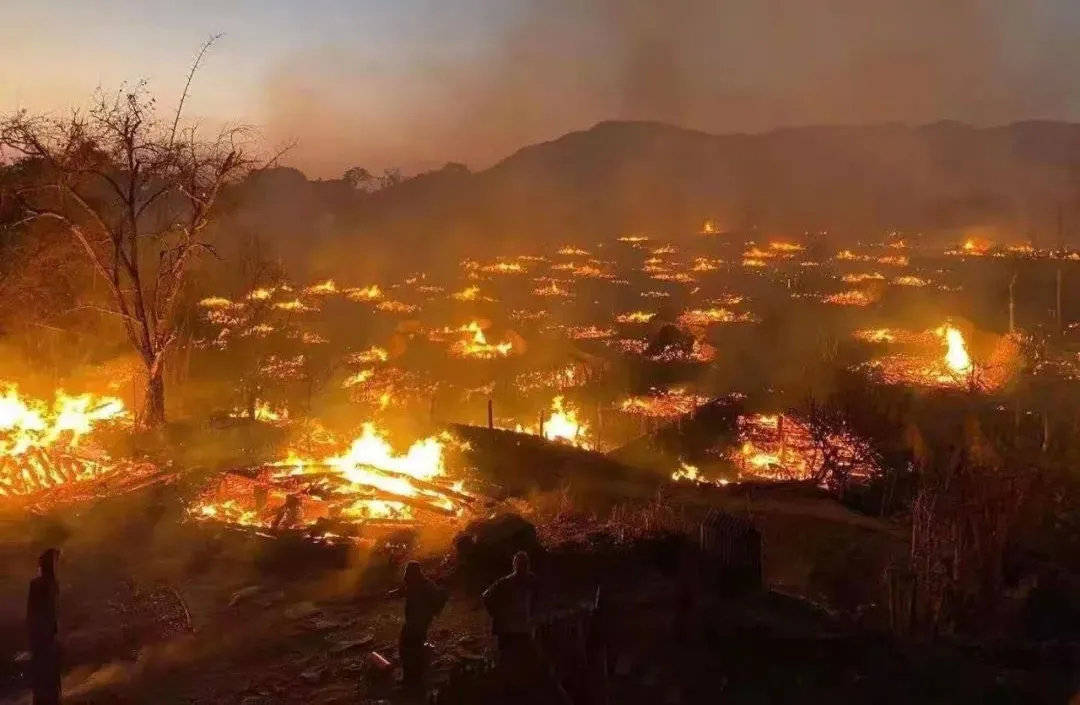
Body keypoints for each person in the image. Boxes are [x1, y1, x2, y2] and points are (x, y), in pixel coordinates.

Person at [482, 551, 539, 683]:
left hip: (519, 629)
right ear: (515, 566)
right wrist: (497, 615)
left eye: (524, 565)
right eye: (521, 565)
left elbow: (486, 597)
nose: (522, 568)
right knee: (511, 662)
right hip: (511, 630)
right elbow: (486, 597)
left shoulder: (530, 581)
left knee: (518, 663)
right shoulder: (507, 583)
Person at [388, 561, 446, 690]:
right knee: (414, 647)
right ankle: (416, 677)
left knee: (408, 648)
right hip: (417, 622)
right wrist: (392, 593)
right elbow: (403, 591)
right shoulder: (418, 584)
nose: (407, 577)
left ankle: (412, 679)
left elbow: (438, 600)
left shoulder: (425, 586)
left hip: (418, 623)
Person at [27, 548, 61, 705]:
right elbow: (33, 612)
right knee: (44, 676)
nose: (56, 564)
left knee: (47, 677)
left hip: (47, 637)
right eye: (54, 561)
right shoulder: (41, 585)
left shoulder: (51, 584)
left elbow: (52, 611)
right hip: (42, 637)